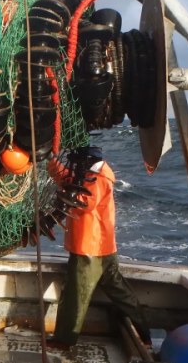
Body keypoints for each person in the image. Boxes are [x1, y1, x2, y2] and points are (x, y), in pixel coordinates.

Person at [46, 146, 151, 350]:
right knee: (119, 290)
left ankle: (64, 339)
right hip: (105, 247)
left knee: (76, 294)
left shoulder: (99, 179)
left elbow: (82, 204)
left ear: (85, 163)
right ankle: (143, 333)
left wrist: (62, 197)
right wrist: (52, 162)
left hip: (89, 248)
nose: (74, 167)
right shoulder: (94, 173)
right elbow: (70, 180)